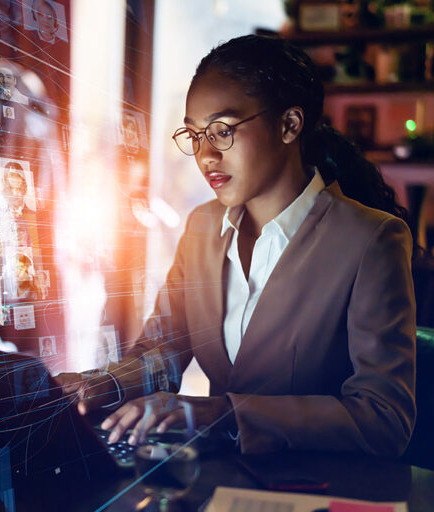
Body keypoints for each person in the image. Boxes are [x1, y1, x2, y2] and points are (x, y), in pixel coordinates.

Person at [57, 35, 416, 457]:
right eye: (195, 135)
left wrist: (222, 414)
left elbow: (384, 418)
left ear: (289, 125)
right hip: (212, 478)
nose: (205, 155)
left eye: (222, 131)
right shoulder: (202, 227)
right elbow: (164, 351)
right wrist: (93, 385)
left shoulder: (371, 240)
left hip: (313, 483)